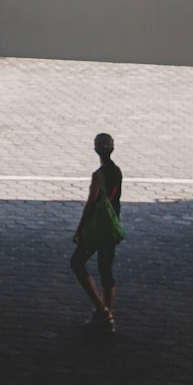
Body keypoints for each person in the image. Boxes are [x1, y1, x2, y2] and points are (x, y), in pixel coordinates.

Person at [70, 132, 122, 333]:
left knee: (77, 263)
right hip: (112, 226)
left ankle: (102, 309)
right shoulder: (117, 171)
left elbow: (91, 203)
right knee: (106, 270)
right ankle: (108, 317)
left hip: (97, 228)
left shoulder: (97, 175)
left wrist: (80, 228)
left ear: (95, 149)